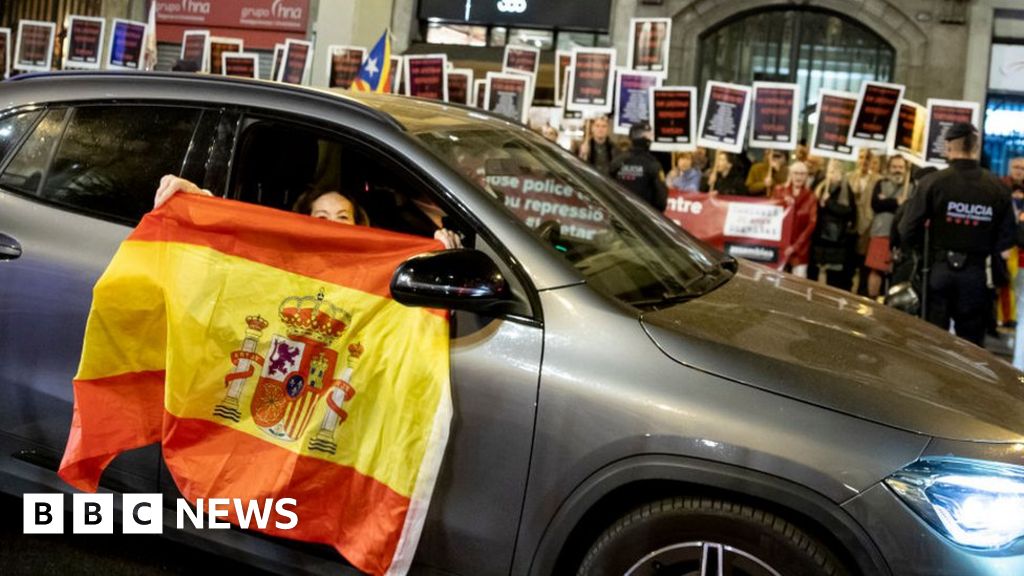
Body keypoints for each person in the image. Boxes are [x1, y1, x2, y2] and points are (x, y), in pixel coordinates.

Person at [898, 122, 1016, 346]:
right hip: (976, 275)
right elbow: (1008, 237)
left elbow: (907, 229)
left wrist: (921, 255)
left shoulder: (933, 182)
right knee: (970, 347)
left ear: (949, 146)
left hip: (937, 270)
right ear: (976, 147)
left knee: (933, 341)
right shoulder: (998, 187)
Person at [153, 175, 462, 248]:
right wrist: (200, 201)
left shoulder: (376, 273)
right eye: (321, 218)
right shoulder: (283, 257)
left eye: (343, 218)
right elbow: (239, 239)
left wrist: (437, 250)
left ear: (360, 225)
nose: (332, 226)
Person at [865, 155, 912, 298]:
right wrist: (896, 202)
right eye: (894, 167)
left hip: (901, 235)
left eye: (901, 167)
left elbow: (910, 208)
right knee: (876, 269)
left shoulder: (912, 186)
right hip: (881, 232)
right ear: (889, 168)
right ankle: (872, 300)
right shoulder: (880, 183)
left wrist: (888, 202)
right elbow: (876, 205)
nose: (897, 170)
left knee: (896, 271)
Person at [812, 159, 858, 290]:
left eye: (834, 171)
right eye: (830, 170)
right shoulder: (820, 185)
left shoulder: (846, 189)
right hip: (819, 236)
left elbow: (848, 211)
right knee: (818, 270)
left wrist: (829, 203)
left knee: (833, 276)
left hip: (836, 239)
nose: (831, 174)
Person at [844, 148, 882, 295]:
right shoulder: (848, 177)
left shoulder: (878, 180)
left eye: (867, 158)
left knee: (865, 267)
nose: (863, 161)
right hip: (850, 228)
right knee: (848, 267)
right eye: (861, 157)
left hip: (869, 228)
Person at [609, 121, 667, 211]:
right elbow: (661, 200)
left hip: (620, 213)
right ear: (645, 138)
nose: (651, 139)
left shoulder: (617, 161)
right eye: (649, 135)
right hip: (643, 216)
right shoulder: (652, 164)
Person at [772, 161, 816, 277]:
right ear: (790, 174)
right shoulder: (779, 191)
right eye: (796, 173)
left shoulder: (811, 196)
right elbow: (772, 216)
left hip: (800, 248)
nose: (799, 177)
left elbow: (812, 224)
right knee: (775, 280)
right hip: (780, 246)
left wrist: (795, 246)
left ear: (806, 176)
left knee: (799, 284)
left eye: (802, 174)